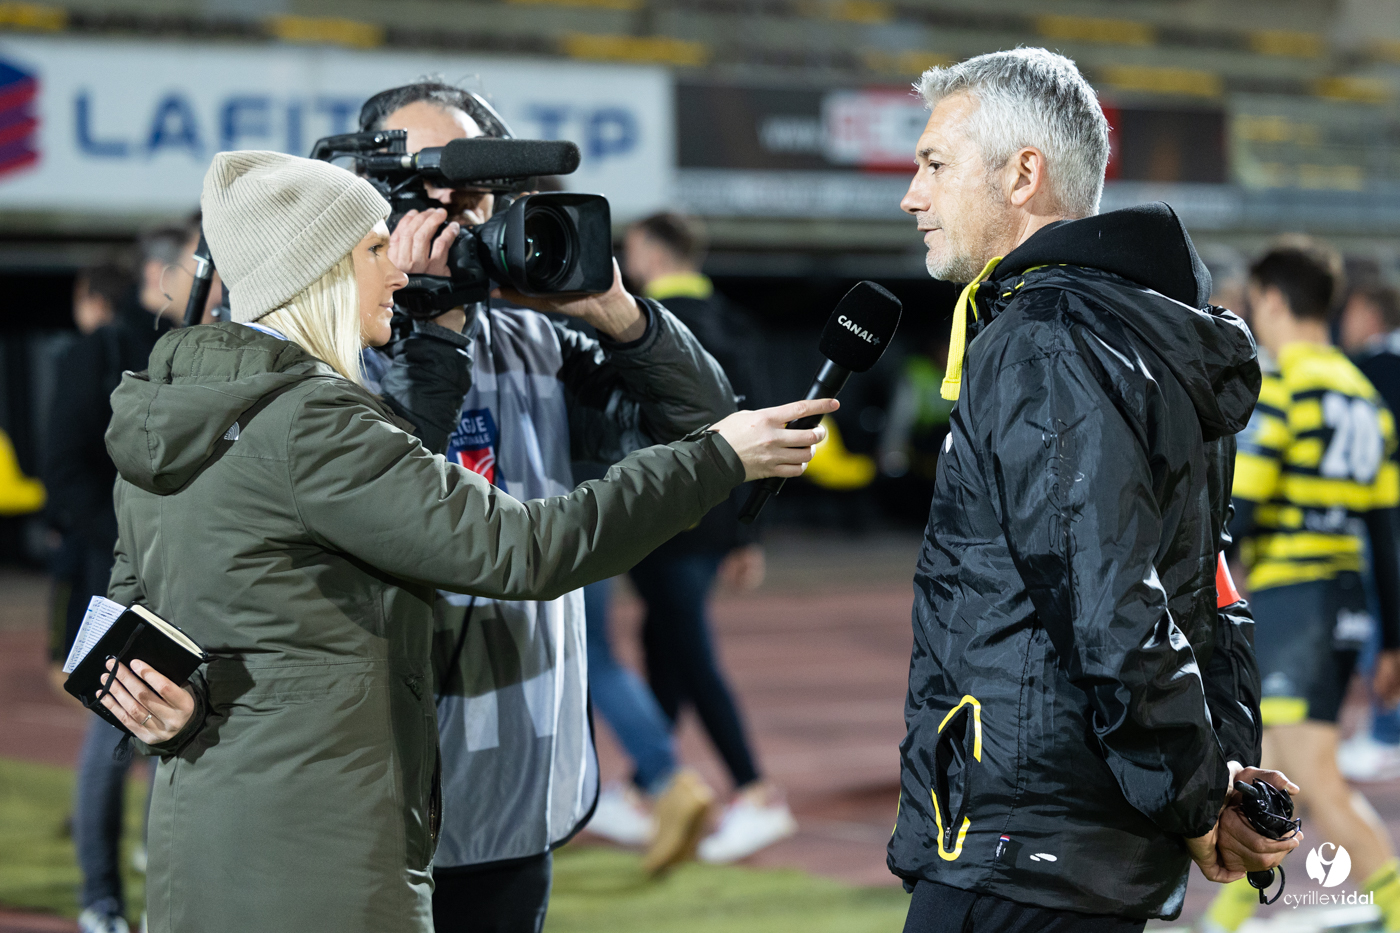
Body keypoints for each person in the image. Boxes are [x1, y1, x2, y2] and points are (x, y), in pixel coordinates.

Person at [95, 149, 831, 933]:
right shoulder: (313, 416)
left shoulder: (172, 397)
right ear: (320, 271)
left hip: (207, 832)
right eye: (377, 248)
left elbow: (126, 602)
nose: (400, 270)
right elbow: (525, 549)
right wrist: (717, 457)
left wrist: (152, 699)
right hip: (323, 851)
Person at [888, 48, 1297, 932]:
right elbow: (1206, 588)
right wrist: (1216, 771)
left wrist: (1196, 797)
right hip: (1079, 846)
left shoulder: (1046, 339)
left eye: (933, 164)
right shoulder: (1135, 334)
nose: (912, 196)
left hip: (1022, 847)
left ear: (1022, 173)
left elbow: (1112, 600)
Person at [353, 82, 740, 921]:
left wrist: (617, 312)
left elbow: (707, 427)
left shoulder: (535, 340)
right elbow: (378, 508)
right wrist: (435, 331)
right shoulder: (328, 348)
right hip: (373, 803)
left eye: (475, 195)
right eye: (430, 189)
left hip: (517, 798)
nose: (456, 216)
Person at [1205, 246, 1400, 933]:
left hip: (1295, 601)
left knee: (1312, 778)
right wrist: (1394, 639)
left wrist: (1201, 580)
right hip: (1341, 600)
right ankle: (1225, 916)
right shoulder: (1364, 397)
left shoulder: (1285, 384)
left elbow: (1243, 505)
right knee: (1273, 773)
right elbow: (1384, 529)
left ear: (1274, 301)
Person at [41, 230, 214, 933]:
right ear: (157, 272)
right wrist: (134, 543)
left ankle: (152, 891)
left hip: (187, 583)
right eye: (191, 260)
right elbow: (64, 472)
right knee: (109, 744)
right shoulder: (99, 353)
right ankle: (101, 899)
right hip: (113, 581)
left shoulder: (192, 353)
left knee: (170, 738)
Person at [615, 210, 798, 865]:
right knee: (662, 641)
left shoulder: (645, 325)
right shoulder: (736, 322)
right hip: (721, 514)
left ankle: (755, 791)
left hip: (668, 511)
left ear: (653, 250)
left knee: (686, 650)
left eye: (632, 245)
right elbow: (769, 427)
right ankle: (645, 786)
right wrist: (750, 532)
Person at [1337, 283, 1400, 782]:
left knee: (1382, 619)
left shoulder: (1373, 370)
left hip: (1386, 514)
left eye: (1353, 309)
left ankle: (1387, 732)